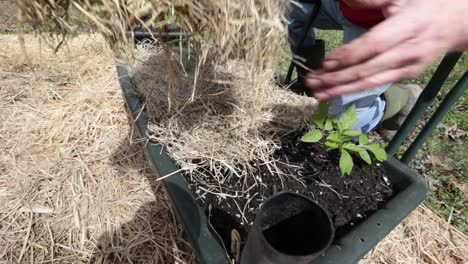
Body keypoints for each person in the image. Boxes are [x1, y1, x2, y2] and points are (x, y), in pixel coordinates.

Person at [289, 0, 468, 138]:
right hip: (337, 6)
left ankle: (400, 98)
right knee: (279, 8)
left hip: (390, 24)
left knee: (338, 124)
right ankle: (310, 85)